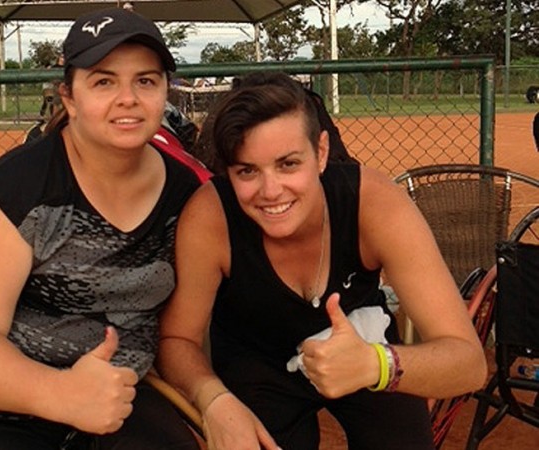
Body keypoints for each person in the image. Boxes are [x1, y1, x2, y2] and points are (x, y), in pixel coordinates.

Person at [0, 8, 204, 450]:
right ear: (70, 98)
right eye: (103, 81)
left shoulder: (186, 192)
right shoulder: (16, 192)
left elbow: (184, 332)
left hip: (113, 400)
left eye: (146, 81)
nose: (128, 97)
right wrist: (58, 394)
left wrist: (216, 399)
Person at [156, 72, 487, 450]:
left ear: (322, 151)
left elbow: (469, 364)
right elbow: (177, 338)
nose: (271, 191)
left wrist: (376, 365)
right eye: (247, 171)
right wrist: (213, 398)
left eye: (288, 164)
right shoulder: (211, 215)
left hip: (360, 342)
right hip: (256, 359)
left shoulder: (373, 203)